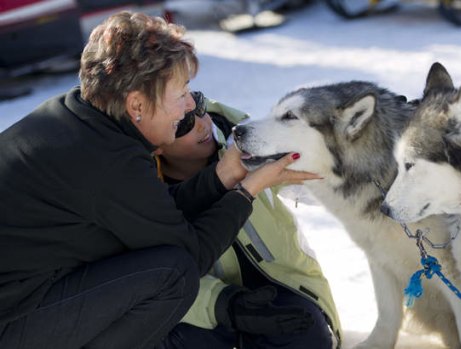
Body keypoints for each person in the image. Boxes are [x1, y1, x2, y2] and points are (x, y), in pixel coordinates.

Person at [0, 11, 320, 349]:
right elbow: (189, 255)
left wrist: (223, 175)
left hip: (24, 297)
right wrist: (247, 191)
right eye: (181, 93)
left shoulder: (79, 118)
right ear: (137, 103)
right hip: (12, 321)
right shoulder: (106, 161)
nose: (188, 107)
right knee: (173, 275)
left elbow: (157, 217)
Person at [155, 91, 342, 348]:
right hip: (202, 304)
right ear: (155, 143)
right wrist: (224, 306)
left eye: (200, 107)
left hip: (284, 285)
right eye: (185, 124)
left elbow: (320, 181)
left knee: (305, 330)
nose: (202, 124)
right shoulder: (145, 196)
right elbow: (154, 284)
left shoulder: (243, 148)